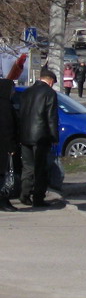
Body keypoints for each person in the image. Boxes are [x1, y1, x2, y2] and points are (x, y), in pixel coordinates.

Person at [19, 67, 60, 208]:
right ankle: (38, 198)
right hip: (41, 137)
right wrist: (54, 137)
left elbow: (21, 114)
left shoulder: (26, 92)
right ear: (50, 82)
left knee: (27, 166)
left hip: (25, 136)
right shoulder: (50, 93)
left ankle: (24, 194)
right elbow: (51, 117)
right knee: (41, 168)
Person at [0, 78, 19, 212]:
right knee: (3, 174)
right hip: (3, 146)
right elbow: (7, 128)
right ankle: (3, 201)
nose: (13, 92)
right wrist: (11, 147)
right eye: (12, 89)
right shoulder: (5, 105)